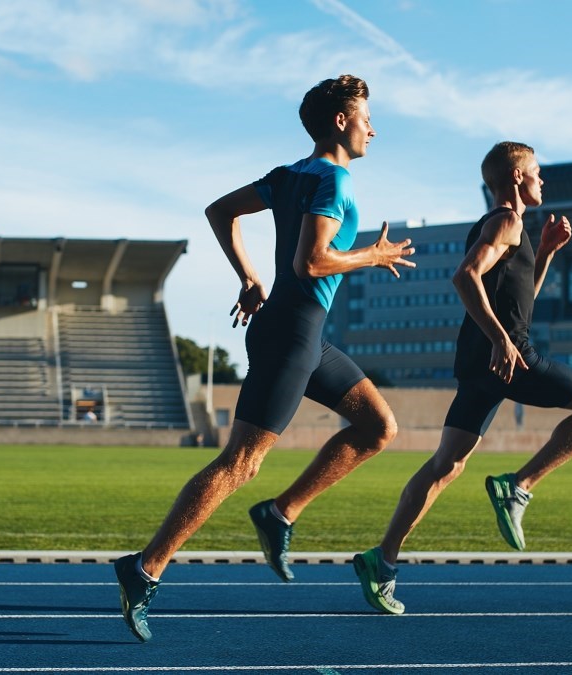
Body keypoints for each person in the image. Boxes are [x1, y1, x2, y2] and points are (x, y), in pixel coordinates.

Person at [115, 74, 416, 641]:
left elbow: (218, 210)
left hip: (298, 331)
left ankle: (279, 513)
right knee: (240, 463)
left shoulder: (289, 175)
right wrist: (372, 255)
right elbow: (313, 262)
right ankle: (144, 567)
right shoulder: (333, 181)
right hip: (291, 336)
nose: (373, 128)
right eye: (366, 117)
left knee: (378, 425)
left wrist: (249, 277)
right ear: (340, 122)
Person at [352, 141, 572, 614]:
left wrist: (548, 252)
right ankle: (518, 486)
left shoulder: (509, 229)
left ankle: (383, 560)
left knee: (446, 464)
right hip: (509, 358)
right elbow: (465, 277)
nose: (543, 181)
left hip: (481, 363)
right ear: (517, 177)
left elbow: (516, 303)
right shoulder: (507, 221)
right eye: (537, 172)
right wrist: (501, 340)